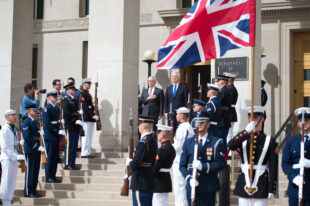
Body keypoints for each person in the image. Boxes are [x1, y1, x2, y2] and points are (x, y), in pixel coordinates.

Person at [228, 106, 277, 206]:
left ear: (262, 119)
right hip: (244, 182)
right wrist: (246, 132)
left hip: (261, 184)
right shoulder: (243, 137)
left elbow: (273, 167)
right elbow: (231, 145)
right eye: (250, 117)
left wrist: (272, 189)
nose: (252, 120)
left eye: (255, 117)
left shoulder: (269, 140)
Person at [179, 111, 226, 206]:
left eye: (202, 122)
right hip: (192, 187)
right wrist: (189, 178)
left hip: (208, 187)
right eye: (197, 122)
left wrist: (203, 166)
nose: (199, 124)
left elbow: (220, 164)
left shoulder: (216, 142)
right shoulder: (188, 142)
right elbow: (182, 166)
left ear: (208, 124)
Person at [126, 116, 158, 206]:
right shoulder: (153, 141)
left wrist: (129, 163)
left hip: (140, 181)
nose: (137, 127)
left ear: (144, 126)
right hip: (149, 179)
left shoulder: (143, 142)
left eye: (139, 124)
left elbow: (135, 163)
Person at [282, 107, 310, 206]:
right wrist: (293, 177)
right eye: (301, 121)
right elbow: (285, 163)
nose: (304, 123)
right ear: (298, 123)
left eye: (306, 120)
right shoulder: (291, 141)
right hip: (295, 188)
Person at [0, 110, 25, 206]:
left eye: (15, 115)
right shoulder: (4, 130)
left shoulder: (15, 129)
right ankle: (5, 202)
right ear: (7, 117)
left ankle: (8, 201)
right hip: (7, 158)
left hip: (14, 157)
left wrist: (20, 144)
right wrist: (16, 156)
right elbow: (4, 148)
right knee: (6, 181)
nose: (15, 116)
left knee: (12, 181)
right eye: (12, 115)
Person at [21, 104, 45, 198]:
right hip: (30, 150)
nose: (36, 112)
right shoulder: (26, 122)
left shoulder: (35, 122)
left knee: (35, 171)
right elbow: (27, 137)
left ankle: (33, 190)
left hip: (36, 150)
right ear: (29, 111)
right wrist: (36, 146)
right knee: (30, 171)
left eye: (36, 111)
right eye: (34, 111)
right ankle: (28, 191)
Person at [173, 107, 195, 206]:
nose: (176, 116)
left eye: (177, 114)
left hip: (180, 161)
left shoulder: (182, 128)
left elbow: (178, 146)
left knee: (179, 189)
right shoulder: (189, 127)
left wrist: (168, 147)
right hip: (185, 161)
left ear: (182, 115)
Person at [42, 91, 65, 183]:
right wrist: (57, 130)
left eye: (56, 97)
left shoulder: (57, 108)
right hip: (50, 135)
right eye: (53, 97)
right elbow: (47, 124)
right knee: (50, 157)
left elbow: (58, 121)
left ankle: (53, 175)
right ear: (49, 98)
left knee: (55, 157)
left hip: (56, 135)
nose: (55, 98)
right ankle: (48, 176)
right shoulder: (47, 109)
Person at [152, 124, 176, 206]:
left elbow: (156, 166)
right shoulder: (171, 148)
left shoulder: (163, 149)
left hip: (159, 181)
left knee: (158, 203)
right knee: (163, 202)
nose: (157, 135)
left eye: (158, 133)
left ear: (162, 134)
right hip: (164, 179)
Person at [63, 83, 81, 170]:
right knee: (69, 145)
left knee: (74, 145)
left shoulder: (75, 100)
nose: (73, 91)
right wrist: (75, 118)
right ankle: (67, 163)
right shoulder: (66, 100)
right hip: (70, 125)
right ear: (67, 91)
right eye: (72, 89)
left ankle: (72, 163)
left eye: (74, 90)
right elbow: (66, 114)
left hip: (75, 126)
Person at [80, 78, 99, 158]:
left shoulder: (88, 94)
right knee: (86, 136)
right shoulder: (82, 93)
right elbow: (85, 107)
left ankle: (87, 151)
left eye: (90, 83)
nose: (90, 84)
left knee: (90, 136)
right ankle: (84, 152)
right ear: (84, 84)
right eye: (88, 83)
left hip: (90, 118)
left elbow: (91, 106)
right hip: (86, 117)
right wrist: (92, 115)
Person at [216, 74, 233, 149]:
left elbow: (217, 104)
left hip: (221, 120)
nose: (217, 84)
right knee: (224, 139)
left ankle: (221, 157)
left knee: (220, 140)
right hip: (226, 118)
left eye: (218, 82)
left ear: (222, 83)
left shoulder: (221, 92)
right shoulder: (228, 91)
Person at [225, 73, 238, 146]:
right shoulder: (231, 88)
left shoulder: (230, 89)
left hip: (230, 113)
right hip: (231, 112)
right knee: (229, 132)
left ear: (229, 80)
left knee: (229, 133)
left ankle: (228, 151)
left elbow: (228, 101)